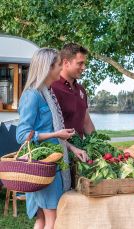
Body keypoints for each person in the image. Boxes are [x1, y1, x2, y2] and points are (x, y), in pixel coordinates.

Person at [16, 48, 88, 229]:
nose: (60, 68)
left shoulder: (47, 94)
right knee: (53, 220)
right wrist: (56, 134)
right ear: (47, 68)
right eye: (57, 65)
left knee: (42, 220)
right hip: (44, 166)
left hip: (53, 164)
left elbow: (54, 131)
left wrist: (73, 148)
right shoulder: (32, 95)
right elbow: (22, 135)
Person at [51, 43, 95, 138]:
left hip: (80, 151)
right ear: (66, 63)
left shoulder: (81, 90)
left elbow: (86, 122)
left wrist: (99, 145)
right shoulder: (52, 88)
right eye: (80, 63)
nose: (84, 67)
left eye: (84, 63)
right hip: (59, 150)